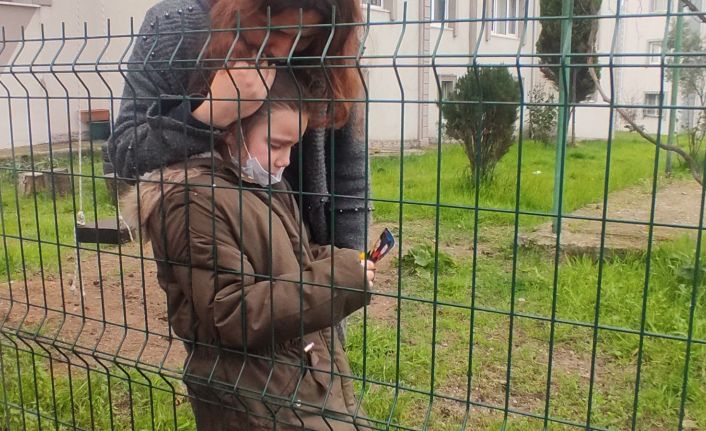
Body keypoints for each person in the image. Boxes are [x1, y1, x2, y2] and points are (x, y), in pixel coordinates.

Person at [124, 72, 375, 430]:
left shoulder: (262, 185)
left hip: (292, 377)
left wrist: (342, 262)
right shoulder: (193, 203)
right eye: (276, 144)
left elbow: (296, 253)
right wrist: (338, 281)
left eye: (292, 146)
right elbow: (231, 312)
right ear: (232, 130)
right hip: (252, 396)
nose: (285, 160)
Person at [107, 0, 369, 263]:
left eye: (304, 37)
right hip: (212, 245)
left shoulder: (331, 48)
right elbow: (127, 155)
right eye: (272, 29)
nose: (283, 50)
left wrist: (349, 267)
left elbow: (348, 172)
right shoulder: (174, 27)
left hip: (309, 253)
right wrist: (209, 115)